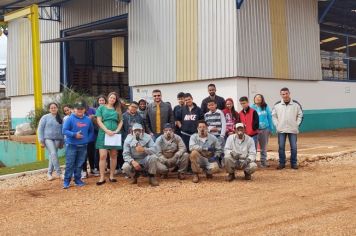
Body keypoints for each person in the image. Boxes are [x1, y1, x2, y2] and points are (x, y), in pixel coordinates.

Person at [62, 100, 94, 189]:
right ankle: (66, 181)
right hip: (72, 145)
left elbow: (91, 131)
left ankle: (77, 179)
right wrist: (74, 135)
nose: (80, 110)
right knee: (70, 164)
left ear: (84, 110)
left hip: (83, 146)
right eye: (78, 108)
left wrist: (88, 139)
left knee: (80, 164)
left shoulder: (87, 120)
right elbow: (64, 131)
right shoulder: (70, 119)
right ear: (74, 109)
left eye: (81, 108)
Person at [95, 92, 123, 185]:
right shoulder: (101, 108)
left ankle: (111, 176)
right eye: (111, 97)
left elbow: (120, 122)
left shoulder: (117, 109)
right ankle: (102, 177)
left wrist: (117, 130)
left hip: (114, 134)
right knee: (103, 156)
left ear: (116, 100)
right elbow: (99, 120)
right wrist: (106, 130)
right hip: (103, 133)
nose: (112, 99)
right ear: (108, 98)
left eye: (114, 98)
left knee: (114, 155)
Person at [272, 87, 303, 170]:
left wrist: (297, 124)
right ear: (280, 95)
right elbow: (274, 116)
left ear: (289, 93)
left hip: (292, 129)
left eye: (286, 93)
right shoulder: (277, 105)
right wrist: (277, 125)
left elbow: (300, 115)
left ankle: (294, 163)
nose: (285, 95)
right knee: (281, 147)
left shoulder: (296, 104)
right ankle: (282, 163)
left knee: (294, 147)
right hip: (281, 129)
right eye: (283, 94)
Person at [37, 103, 64, 181]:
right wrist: (41, 141)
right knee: (53, 153)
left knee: (52, 156)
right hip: (48, 139)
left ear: (57, 108)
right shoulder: (45, 117)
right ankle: (59, 173)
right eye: (51, 108)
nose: (53, 109)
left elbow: (63, 130)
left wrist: (62, 142)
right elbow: (40, 129)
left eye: (54, 107)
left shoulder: (61, 118)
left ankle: (49, 173)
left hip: (58, 139)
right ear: (49, 109)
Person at [251, 94, 274, 167]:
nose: (258, 98)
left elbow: (269, 117)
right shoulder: (252, 107)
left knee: (263, 147)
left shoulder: (265, 106)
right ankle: (253, 162)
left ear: (262, 99)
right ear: (254, 99)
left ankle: (263, 162)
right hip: (255, 130)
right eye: (256, 97)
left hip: (265, 129)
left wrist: (271, 128)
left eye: (259, 97)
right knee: (253, 147)